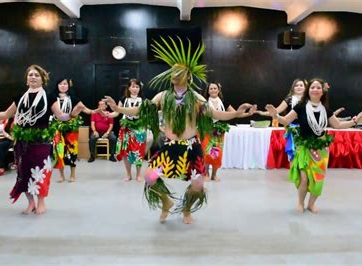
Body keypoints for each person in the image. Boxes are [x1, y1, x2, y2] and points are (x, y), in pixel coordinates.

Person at [103, 37, 255, 224]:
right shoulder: (163, 96)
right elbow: (141, 110)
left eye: (179, 71)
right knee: (149, 177)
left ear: (188, 76)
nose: (174, 73)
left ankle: (187, 209)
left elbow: (215, 113)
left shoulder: (196, 97)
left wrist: (237, 114)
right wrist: (118, 110)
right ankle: (166, 201)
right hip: (170, 146)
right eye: (173, 71)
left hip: (192, 147)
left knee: (198, 184)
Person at [0, 64, 83, 215]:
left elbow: (61, 116)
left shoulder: (49, 97)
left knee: (40, 171)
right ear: (26, 79)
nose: (33, 77)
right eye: (30, 75)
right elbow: (5, 115)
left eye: (36, 75)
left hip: (41, 141)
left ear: (43, 79)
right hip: (22, 142)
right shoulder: (20, 98)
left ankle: (41, 202)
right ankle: (30, 203)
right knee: (24, 173)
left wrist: (73, 114)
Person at [265, 78, 362, 214]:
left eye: (318, 87)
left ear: (322, 92)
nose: (315, 89)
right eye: (312, 87)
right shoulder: (300, 106)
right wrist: (275, 115)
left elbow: (338, 125)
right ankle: (300, 203)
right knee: (304, 178)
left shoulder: (325, 109)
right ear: (309, 90)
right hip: (303, 146)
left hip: (321, 148)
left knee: (318, 178)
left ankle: (311, 204)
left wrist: (355, 121)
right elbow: (286, 120)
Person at [200, 81, 251, 181]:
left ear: (218, 90)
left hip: (219, 131)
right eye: (211, 88)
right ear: (208, 91)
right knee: (206, 152)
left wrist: (248, 114)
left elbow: (236, 113)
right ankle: (206, 173)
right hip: (207, 130)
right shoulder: (204, 102)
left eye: (215, 88)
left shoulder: (224, 102)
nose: (213, 90)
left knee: (217, 153)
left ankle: (214, 175)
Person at [51, 78, 96, 182]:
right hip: (57, 127)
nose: (63, 86)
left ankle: (72, 174)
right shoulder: (52, 97)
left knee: (72, 150)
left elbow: (85, 109)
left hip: (71, 127)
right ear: (57, 85)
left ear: (68, 85)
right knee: (59, 151)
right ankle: (61, 175)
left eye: (65, 84)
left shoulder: (73, 97)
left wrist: (94, 111)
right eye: (61, 84)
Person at [109, 79, 147, 181]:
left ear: (140, 88)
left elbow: (147, 114)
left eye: (137, 87)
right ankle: (128, 174)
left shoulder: (144, 100)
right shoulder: (123, 99)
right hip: (126, 128)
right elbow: (116, 112)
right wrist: (107, 115)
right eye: (133, 86)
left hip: (139, 128)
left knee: (139, 151)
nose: (135, 89)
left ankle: (138, 174)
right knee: (126, 151)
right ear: (129, 88)